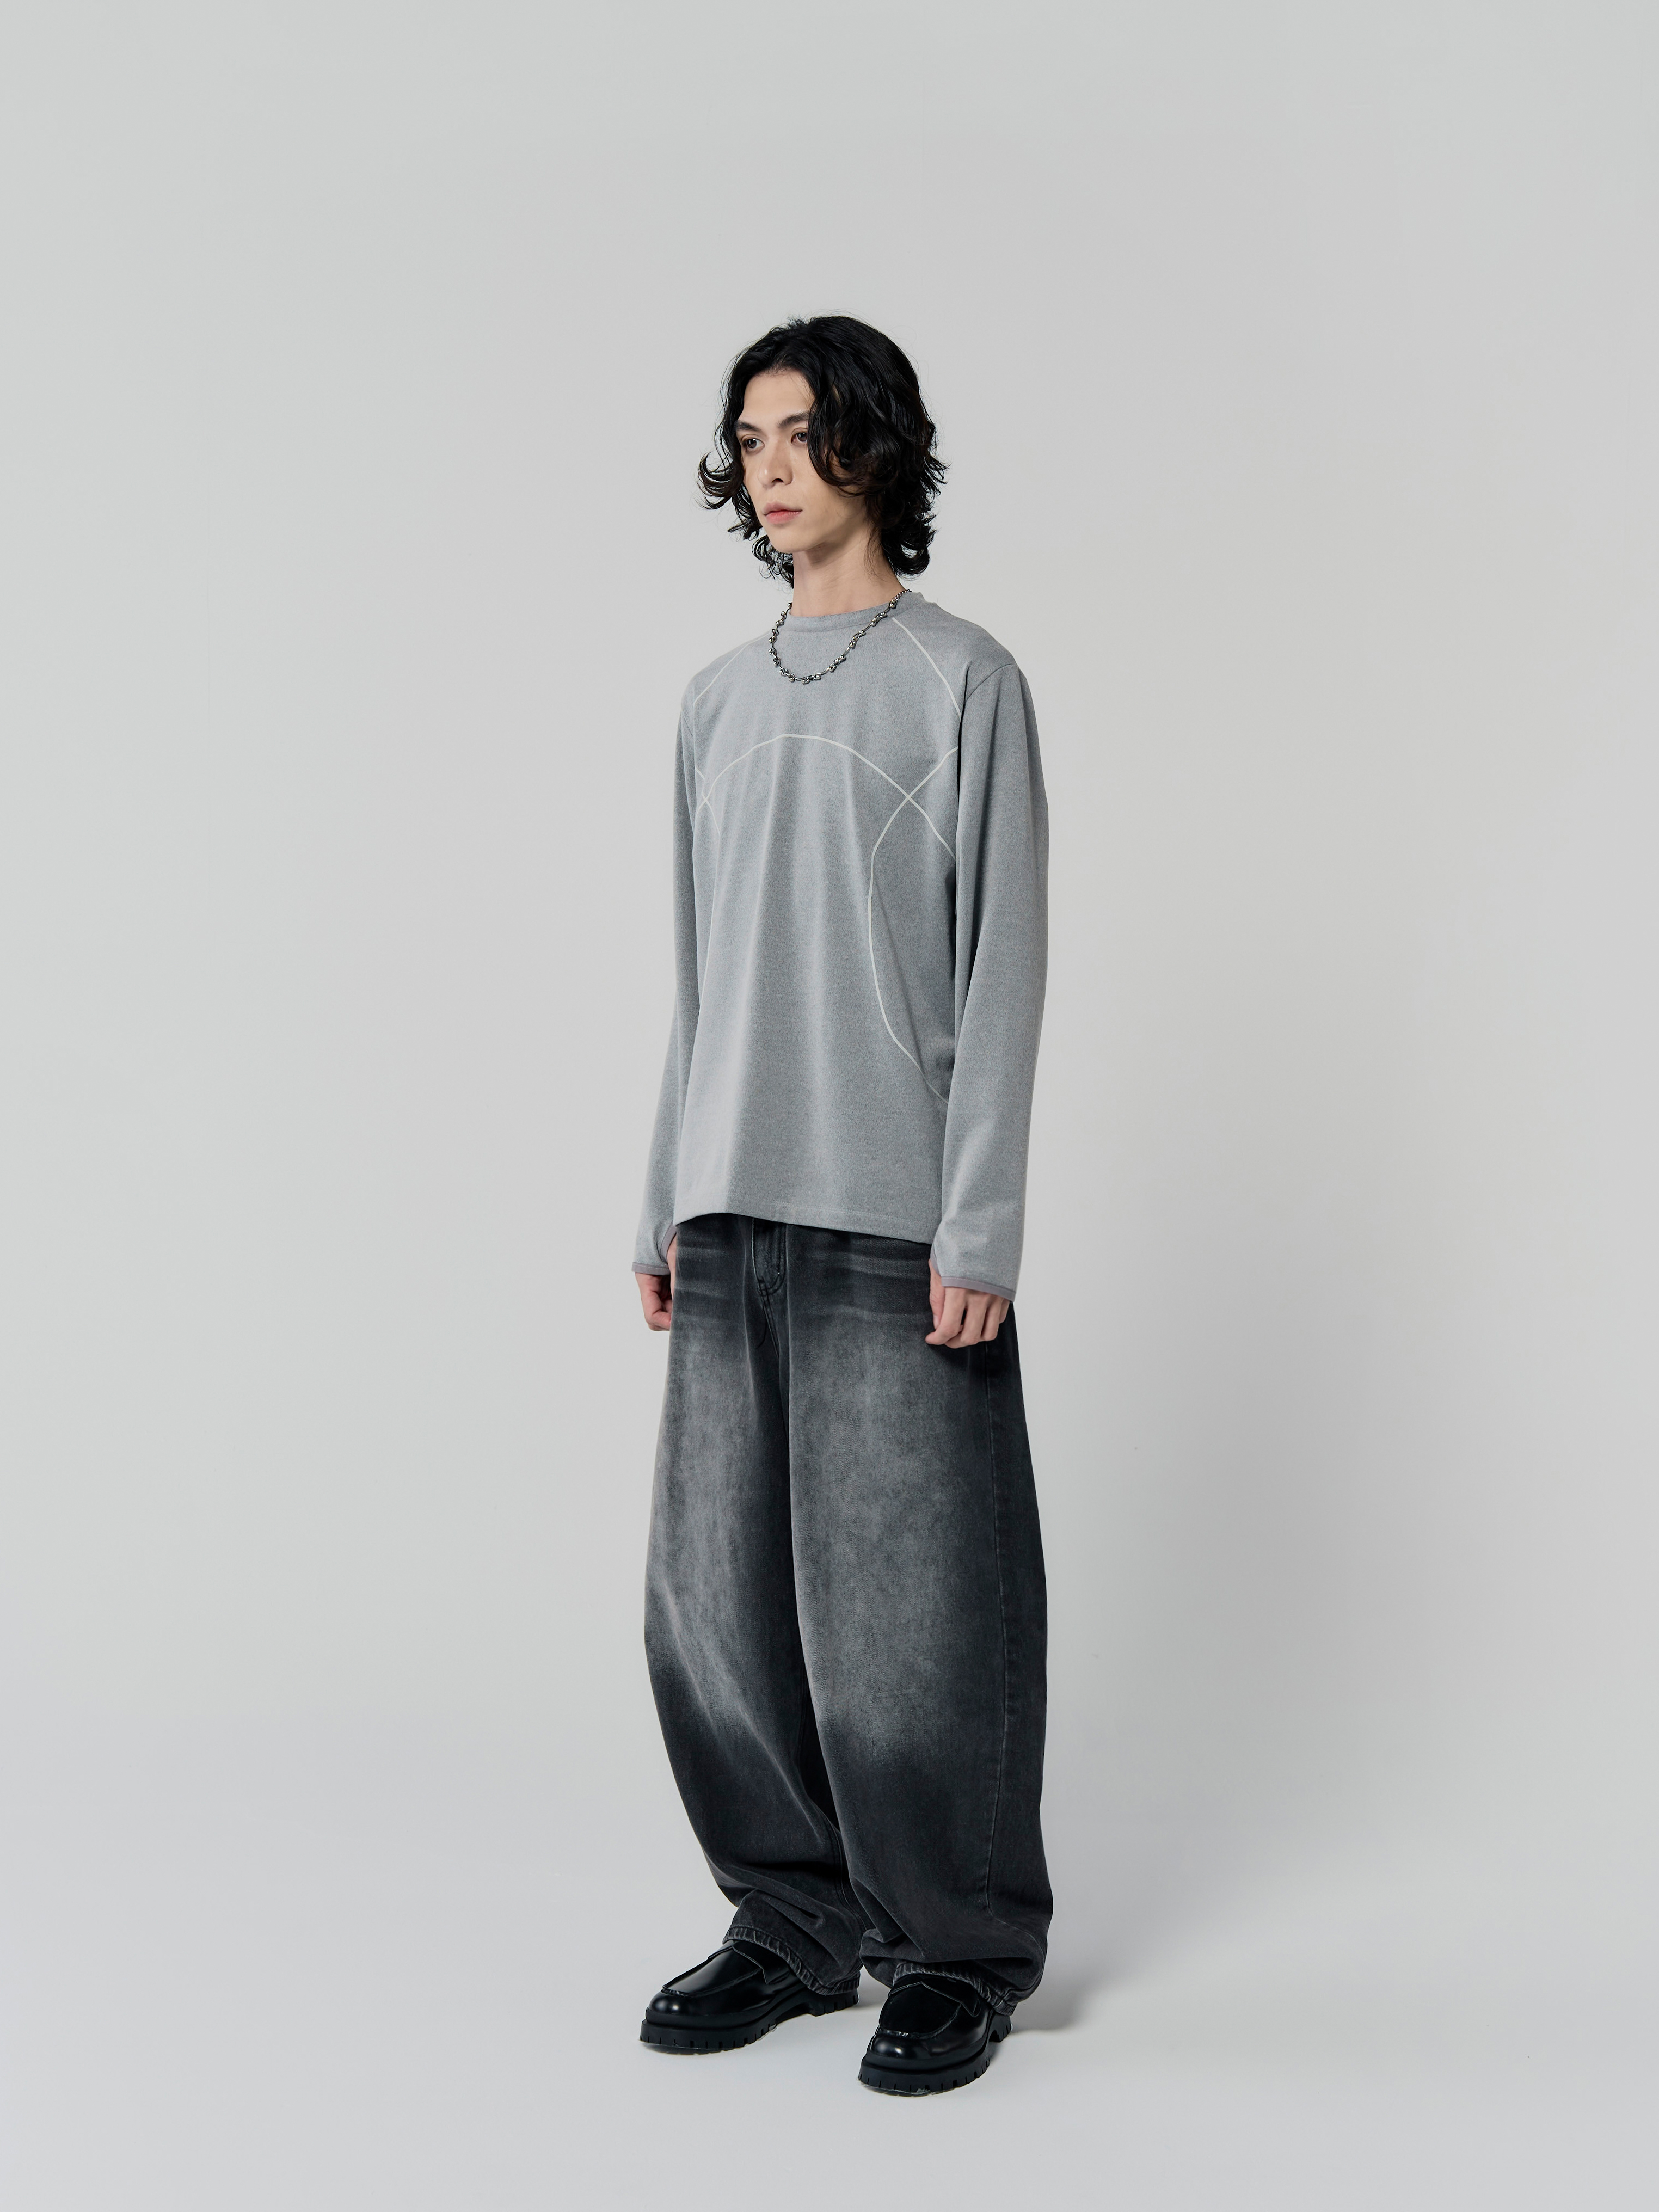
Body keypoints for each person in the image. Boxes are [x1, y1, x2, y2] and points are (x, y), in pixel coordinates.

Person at [631, 315, 1050, 2096]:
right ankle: (796, 1920)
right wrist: (662, 1195)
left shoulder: (963, 680)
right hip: (731, 1199)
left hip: (894, 1212)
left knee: (915, 1610)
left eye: (802, 432)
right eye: (749, 439)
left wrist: (982, 1227)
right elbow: (699, 975)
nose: (772, 467)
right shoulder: (713, 705)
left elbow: (1005, 970)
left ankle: (956, 1945)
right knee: (716, 1606)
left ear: (876, 446)